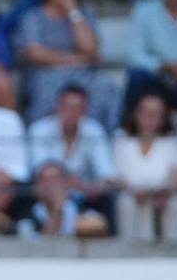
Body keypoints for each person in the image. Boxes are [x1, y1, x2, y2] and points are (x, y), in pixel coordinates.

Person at [13, 0, 114, 126]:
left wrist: (73, 12)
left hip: (82, 74)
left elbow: (90, 48)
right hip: (45, 74)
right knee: (47, 87)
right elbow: (36, 54)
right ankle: (42, 138)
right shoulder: (33, 17)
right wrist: (80, 59)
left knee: (105, 86)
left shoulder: (85, 15)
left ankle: (97, 136)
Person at [27, 83, 118, 220]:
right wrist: (71, 183)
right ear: (57, 107)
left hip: (87, 196)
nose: (71, 112)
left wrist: (92, 188)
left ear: (85, 111)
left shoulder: (94, 130)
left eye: (77, 108)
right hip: (48, 196)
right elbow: (40, 170)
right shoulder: (39, 129)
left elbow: (107, 172)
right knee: (49, 179)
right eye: (66, 106)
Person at [114, 91, 177, 242]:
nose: (150, 116)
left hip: (163, 193)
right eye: (145, 111)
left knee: (174, 203)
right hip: (132, 193)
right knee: (127, 202)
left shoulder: (172, 141)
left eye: (156, 112)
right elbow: (118, 175)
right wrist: (135, 191)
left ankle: (173, 250)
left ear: (163, 117)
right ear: (136, 114)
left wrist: (164, 192)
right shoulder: (122, 140)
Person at [17, 159, 81, 237]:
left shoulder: (85, 211)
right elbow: (40, 246)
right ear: (36, 187)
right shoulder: (26, 218)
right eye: (44, 180)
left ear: (67, 183)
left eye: (55, 179)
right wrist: (57, 210)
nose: (49, 185)